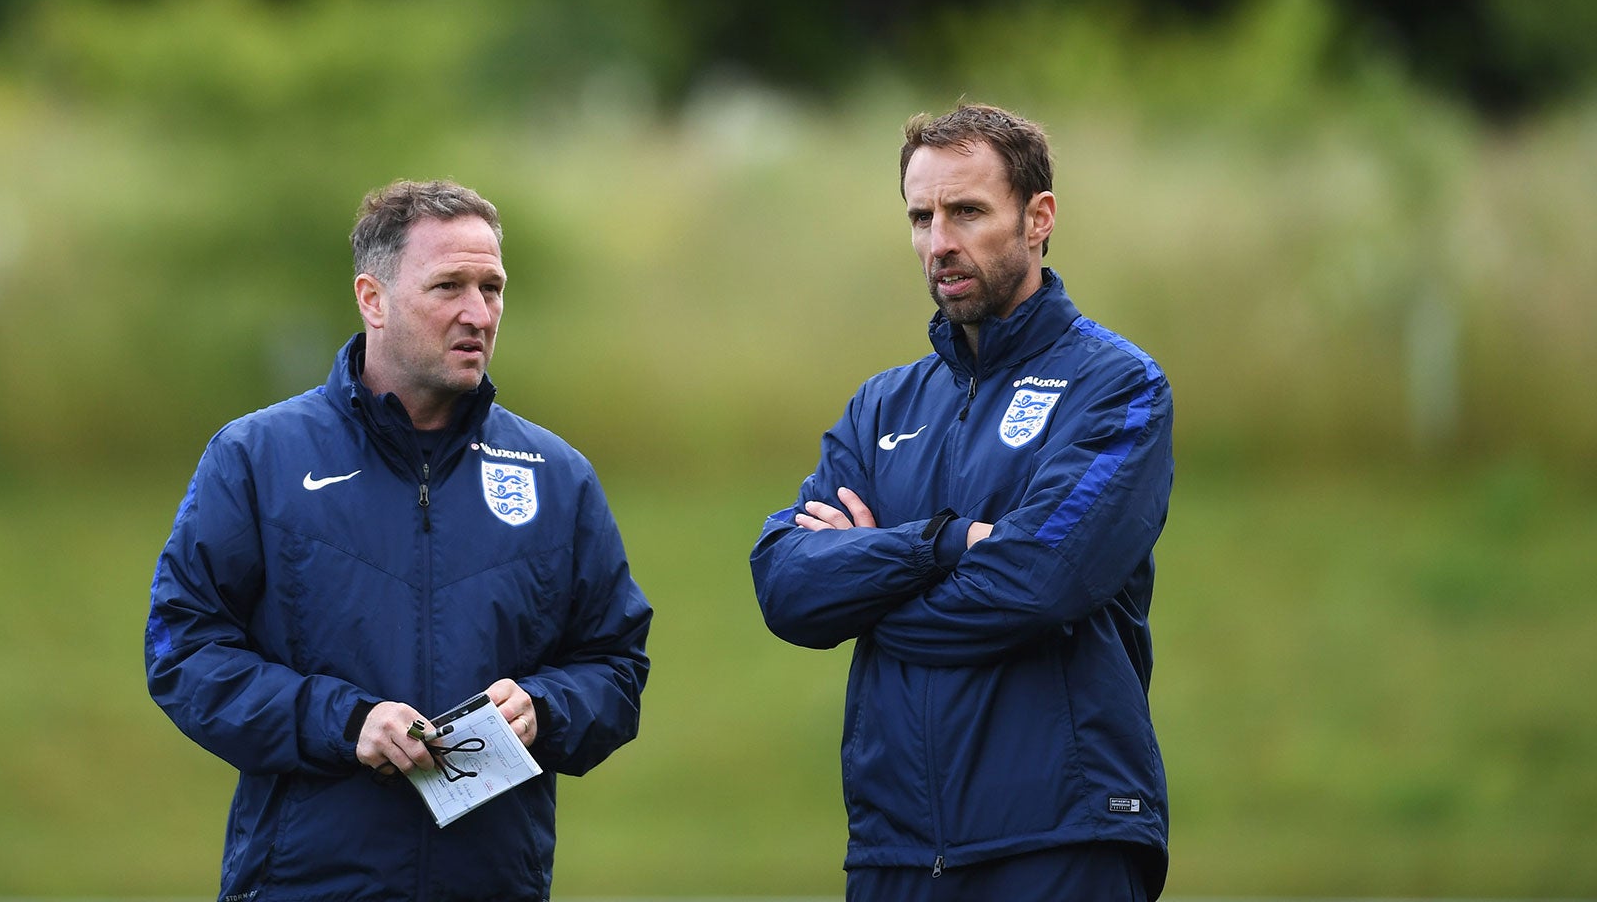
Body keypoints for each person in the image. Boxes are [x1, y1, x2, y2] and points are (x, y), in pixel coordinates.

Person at [147, 178, 652, 902]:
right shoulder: (258, 457)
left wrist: (546, 708)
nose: (478, 313)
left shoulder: (556, 477)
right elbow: (182, 650)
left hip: (492, 884)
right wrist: (344, 720)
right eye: (448, 286)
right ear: (372, 299)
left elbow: (616, 666)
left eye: (493, 288)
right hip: (304, 884)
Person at [751, 103, 1173, 901]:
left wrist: (869, 594)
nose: (938, 242)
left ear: (1038, 218)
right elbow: (786, 585)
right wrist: (940, 547)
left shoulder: (1115, 386)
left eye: (967, 212)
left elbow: (1038, 583)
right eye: (921, 216)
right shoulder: (882, 408)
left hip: (1062, 840)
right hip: (896, 852)